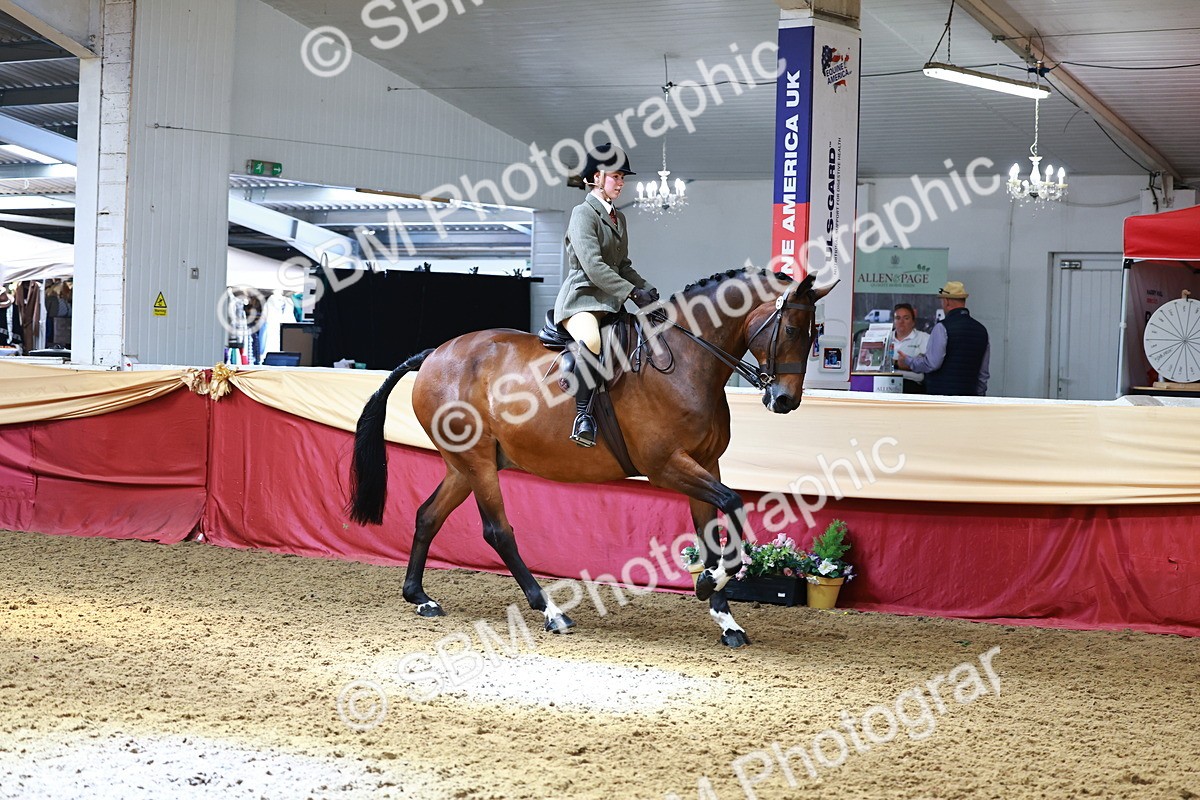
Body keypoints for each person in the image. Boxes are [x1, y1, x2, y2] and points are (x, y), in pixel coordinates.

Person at [553, 143, 658, 447]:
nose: (621, 183)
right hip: (582, 302)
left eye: (622, 178)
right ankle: (583, 416)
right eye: (615, 177)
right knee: (594, 341)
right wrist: (631, 293)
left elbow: (622, 264)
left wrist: (647, 290)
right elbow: (594, 266)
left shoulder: (618, 218)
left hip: (610, 303)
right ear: (596, 177)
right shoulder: (582, 214)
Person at [896, 281, 990, 396]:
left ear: (946, 301)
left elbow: (931, 363)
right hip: (969, 397)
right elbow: (983, 374)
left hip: (942, 397)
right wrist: (979, 397)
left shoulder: (942, 327)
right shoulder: (981, 330)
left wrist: (908, 360)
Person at [891, 302, 930, 394]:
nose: (901, 322)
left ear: (913, 322)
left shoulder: (924, 338)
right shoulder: (885, 338)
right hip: (884, 383)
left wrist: (909, 365)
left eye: (906, 318)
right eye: (898, 318)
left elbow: (929, 364)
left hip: (911, 384)